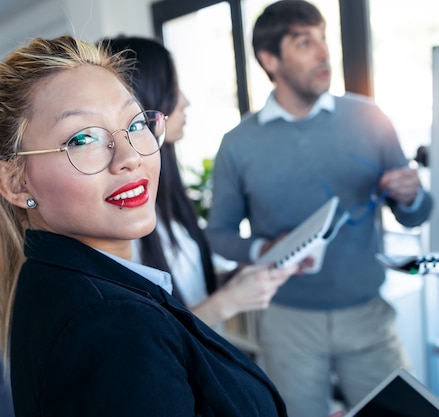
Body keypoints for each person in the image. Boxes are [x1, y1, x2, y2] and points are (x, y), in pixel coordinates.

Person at [0, 34, 303, 416]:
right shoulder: (112, 325)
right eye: (83, 137)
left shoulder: (62, 282)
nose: (130, 157)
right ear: (15, 182)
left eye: (136, 124)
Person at [205, 1, 435, 416]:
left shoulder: (370, 117)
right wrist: (265, 249)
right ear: (269, 58)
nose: (324, 53)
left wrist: (411, 196)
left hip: (368, 316)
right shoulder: (237, 144)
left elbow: (417, 214)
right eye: (304, 42)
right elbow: (219, 233)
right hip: (287, 322)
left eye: (323, 38)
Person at [101, 35, 306, 327]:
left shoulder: (165, 201)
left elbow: (187, 289)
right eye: (172, 89)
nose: (185, 101)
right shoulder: (124, 219)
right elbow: (145, 336)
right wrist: (229, 300)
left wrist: (251, 271)